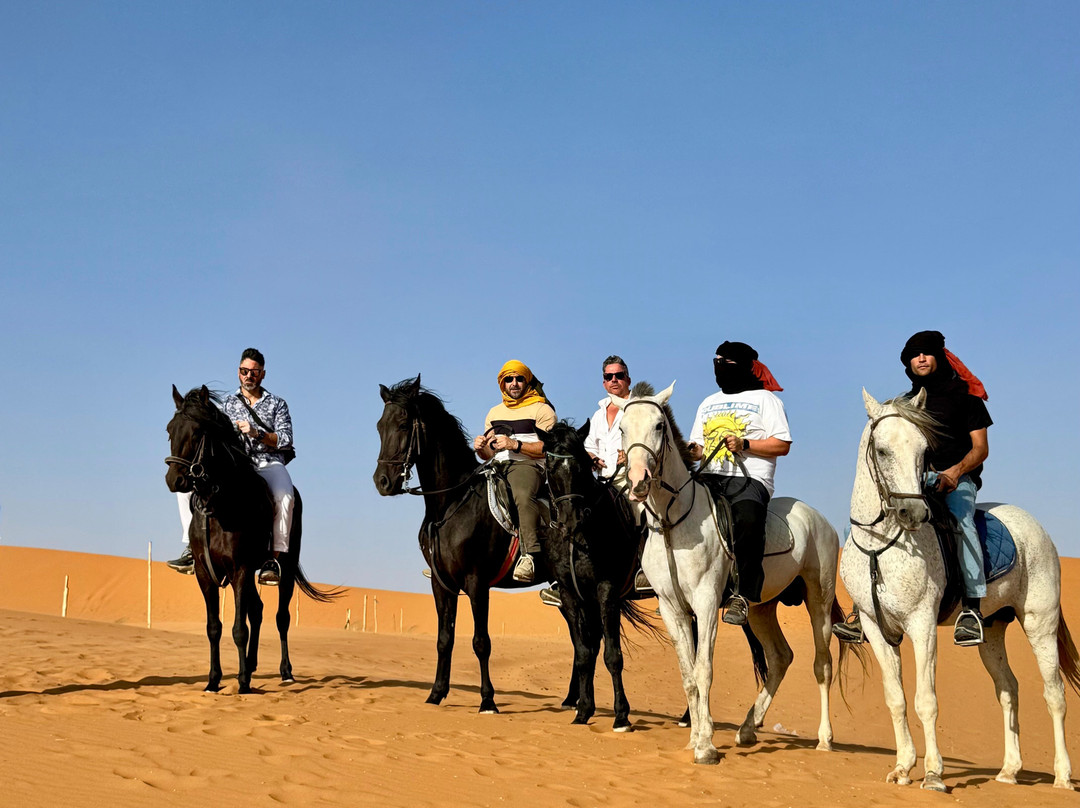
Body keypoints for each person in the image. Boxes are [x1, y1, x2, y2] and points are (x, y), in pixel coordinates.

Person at [835, 331, 991, 646]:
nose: (920, 359)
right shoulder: (903, 404)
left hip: (956, 483)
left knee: (962, 521)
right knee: (874, 524)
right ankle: (863, 610)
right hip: (913, 484)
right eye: (914, 355)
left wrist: (954, 472)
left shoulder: (965, 397)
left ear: (939, 356)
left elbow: (980, 448)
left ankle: (972, 609)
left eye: (927, 353)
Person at [167, 348, 296, 586]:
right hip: (235, 465)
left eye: (254, 372)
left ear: (263, 374)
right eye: (245, 371)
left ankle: (273, 559)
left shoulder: (277, 404)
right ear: (239, 373)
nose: (249, 376)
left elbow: (286, 438)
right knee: (185, 490)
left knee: (284, 495)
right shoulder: (226, 404)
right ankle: (190, 549)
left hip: (268, 463)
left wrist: (258, 433)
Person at [687, 341, 791, 626]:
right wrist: (689, 450)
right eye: (717, 360)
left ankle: (743, 594)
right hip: (710, 476)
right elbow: (699, 449)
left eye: (726, 361)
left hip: (750, 478)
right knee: (677, 508)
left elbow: (782, 445)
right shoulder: (708, 402)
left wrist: (745, 443)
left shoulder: (766, 400)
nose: (719, 366)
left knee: (746, 516)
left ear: (743, 366)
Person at [539, 355, 650, 607]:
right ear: (603, 382)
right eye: (609, 376)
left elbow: (648, 441)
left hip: (630, 480)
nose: (614, 380)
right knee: (570, 512)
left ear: (628, 379)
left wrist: (631, 455)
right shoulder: (599, 414)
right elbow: (587, 447)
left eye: (619, 375)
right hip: (603, 481)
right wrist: (590, 457)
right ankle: (563, 578)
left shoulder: (639, 407)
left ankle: (644, 569)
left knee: (639, 511)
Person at [474, 360, 556, 583]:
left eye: (519, 378)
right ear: (503, 383)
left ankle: (529, 555)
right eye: (509, 379)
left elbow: (549, 448)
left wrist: (515, 445)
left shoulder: (542, 409)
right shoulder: (494, 412)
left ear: (527, 381)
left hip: (528, 465)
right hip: (496, 466)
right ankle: (452, 558)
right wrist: (482, 448)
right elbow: (489, 454)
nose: (514, 383)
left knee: (521, 494)